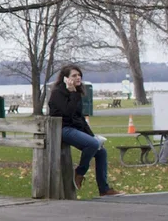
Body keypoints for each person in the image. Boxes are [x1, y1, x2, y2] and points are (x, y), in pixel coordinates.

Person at [46, 64, 120, 196]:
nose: (78, 77)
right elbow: (67, 113)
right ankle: (79, 173)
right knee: (92, 144)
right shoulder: (58, 93)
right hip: (61, 129)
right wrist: (72, 92)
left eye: (79, 75)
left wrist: (92, 136)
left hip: (74, 128)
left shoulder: (76, 93)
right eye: (74, 75)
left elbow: (79, 117)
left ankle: (104, 189)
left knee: (101, 151)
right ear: (66, 78)